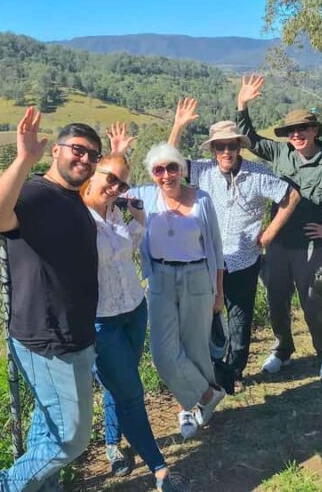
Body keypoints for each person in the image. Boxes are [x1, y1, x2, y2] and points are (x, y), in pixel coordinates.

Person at [0, 107, 101, 492]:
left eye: (92, 155)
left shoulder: (73, 200)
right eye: (77, 150)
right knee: (73, 437)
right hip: (46, 337)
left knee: (50, 425)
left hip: (75, 332)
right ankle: (6, 484)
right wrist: (22, 159)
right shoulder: (34, 193)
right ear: (56, 152)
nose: (85, 159)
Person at [235, 75, 322, 380]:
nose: (297, 135)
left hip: (311, 245)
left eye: (303, 129)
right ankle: (283, 350)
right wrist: (242, 105)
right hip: (279, 244)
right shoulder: (282, 153)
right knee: (277, 301)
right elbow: (249, 139)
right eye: (292, 131)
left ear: (314, 130)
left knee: (313, 302)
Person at [80, 124, 187, 492]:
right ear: (93, 173)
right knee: (130, 389)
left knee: (120, 383)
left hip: (132, 309)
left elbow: (126, 252)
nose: (116, 188)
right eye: (110, 179)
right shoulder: (77, 217)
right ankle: (158, 468)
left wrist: (139, 223)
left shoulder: (114, 213)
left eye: (122, 184)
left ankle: (113, 443)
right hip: (101, 320)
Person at [168, 98, 301, 389]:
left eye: (231, 145)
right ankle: (209, 369)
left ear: (239, 146)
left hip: (244, 258)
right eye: (220, 146)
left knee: (240, 317)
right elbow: (168, 163)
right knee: (206, 316)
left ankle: (234, 372)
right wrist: (178, 126)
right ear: (213, 149)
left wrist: (269, 233)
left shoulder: (258, 175)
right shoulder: (202, 171)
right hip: (206, 258)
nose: (226, 151)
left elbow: (291, 196)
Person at [126, 138, 226, 441]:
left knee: (196, 347)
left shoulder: (202, 199)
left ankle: (190, 408)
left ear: (181, 169)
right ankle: (209, 395)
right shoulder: (143, 197)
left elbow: (216, 249)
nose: (166, 175)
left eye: (172, 167)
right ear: (151, 174)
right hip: (160, 277)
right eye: (158, 170)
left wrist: (219, 291)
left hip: (198, 276)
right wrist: (118, 150)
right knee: (162, 353)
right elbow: (109, 185)